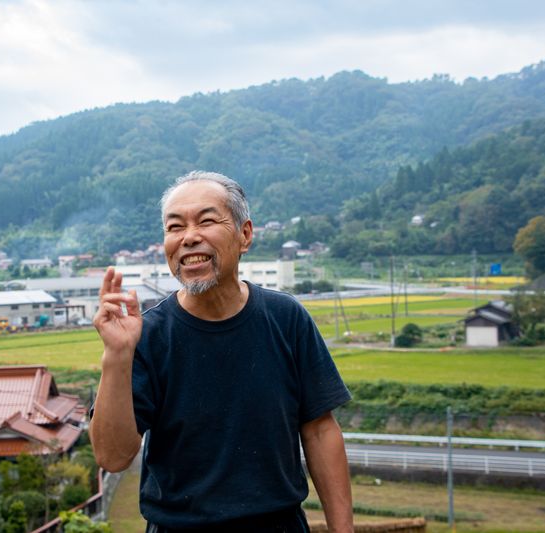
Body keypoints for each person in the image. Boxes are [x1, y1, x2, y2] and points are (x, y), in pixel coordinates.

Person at [89, 171, 353, 532]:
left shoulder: (286, 318)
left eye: (207, 221)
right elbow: (113, 456)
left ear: (245, 235)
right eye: (175, 227)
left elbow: (320, 431)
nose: (189, 237)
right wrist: (117, 357)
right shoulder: (146, 335)